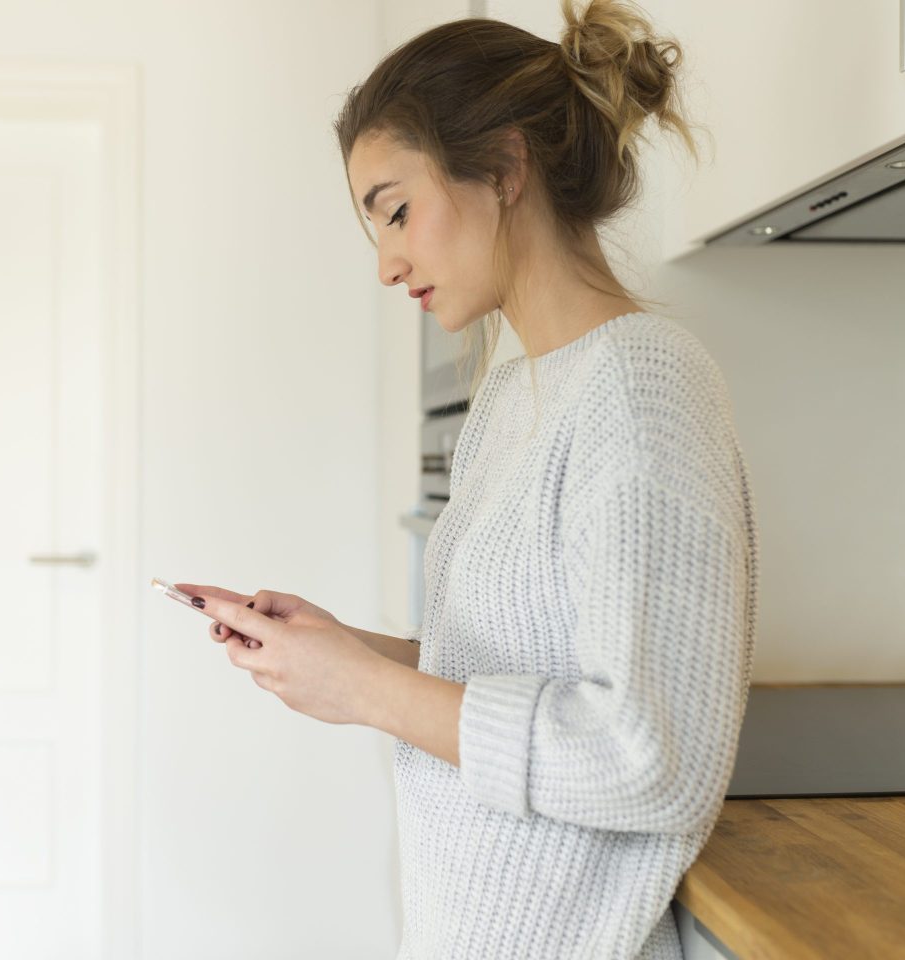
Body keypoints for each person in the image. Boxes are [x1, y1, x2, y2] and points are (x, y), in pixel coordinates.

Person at [179, 1, 758, 956]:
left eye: (397, 210)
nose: (387, 262)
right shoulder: (513, 396)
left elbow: (646, 764)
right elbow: (519, 671)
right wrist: (352, 653)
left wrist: (366, 692)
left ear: (505, 166)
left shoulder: (641, 389)